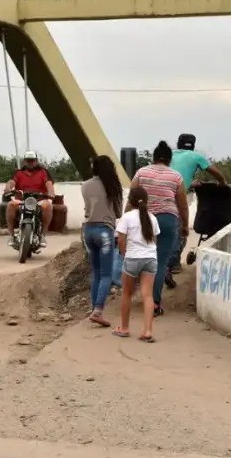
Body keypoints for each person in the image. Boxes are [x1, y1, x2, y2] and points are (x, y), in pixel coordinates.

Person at [130, 141, 189, 317]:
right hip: (167, 221)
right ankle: (154, 303)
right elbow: (183, 205)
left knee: (142, 257)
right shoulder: (176, 176)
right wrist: (185, 226)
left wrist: (125, 222)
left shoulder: (141, 173)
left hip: (143, 220)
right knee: (160, 262)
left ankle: (139, 294)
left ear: (153, 158)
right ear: (169, 160)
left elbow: (131, 200)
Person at [168, 133, 227, 275]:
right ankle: (174, 264)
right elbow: (214, 172)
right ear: (193, 145)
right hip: (177, 197)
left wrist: (190, 183)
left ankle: (160, 263)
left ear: (178, 143)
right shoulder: (196, 156)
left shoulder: (169, 155)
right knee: (181, 230)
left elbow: (176, 175)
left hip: (159, 194)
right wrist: (223, 182)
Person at [113, 186, 161, 342]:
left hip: (132, 258)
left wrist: (124, 254)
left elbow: (121, 240)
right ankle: (147, 331)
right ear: (146, 201)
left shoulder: (126, 217)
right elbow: (155, 240)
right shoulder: (152, 218)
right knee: (148, 295)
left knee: (127, 293)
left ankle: (124, 328)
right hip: (150, 259)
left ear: (130, 201)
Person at [81, 155, 123, 327]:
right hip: (105, 231)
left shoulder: (85, 185)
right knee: (106, 274)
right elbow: (118, 213)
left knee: (96, 273)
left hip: (88, 231)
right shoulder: (112, 185)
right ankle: (98, 311)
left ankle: (94, 309)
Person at [3, 151, 55, 248]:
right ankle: (11, 235)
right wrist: (8, 188)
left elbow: (48, 183)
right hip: (21, 200)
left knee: (48, 206)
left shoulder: (43, 172)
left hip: (39, 200)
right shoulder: (18, 173)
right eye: (28, 160)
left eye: (32, 160)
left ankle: (43, 235)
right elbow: (12, 182)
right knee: (10, 205)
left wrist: (51, 192)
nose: (30, 162)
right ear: (24, 161)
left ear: (36, 161)